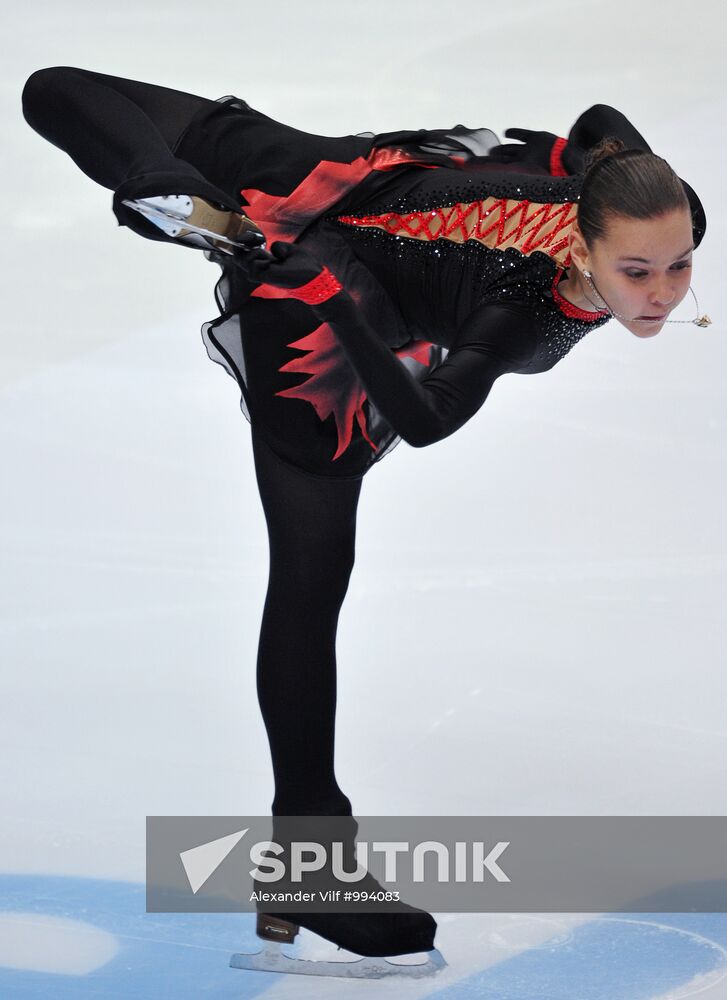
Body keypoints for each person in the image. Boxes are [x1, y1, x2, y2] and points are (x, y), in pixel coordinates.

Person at [21, 66, 708, 979]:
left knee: (315, 575)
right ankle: (179, 193)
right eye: (636, 269)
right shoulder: (535, 305)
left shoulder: (601, 234)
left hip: (347, 247)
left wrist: (591, 157)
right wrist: (306, 285)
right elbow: (425, 416)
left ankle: (309, 852)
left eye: (679, 265)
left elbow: (594, 129)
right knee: (58, 90)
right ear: (583, 243)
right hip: (334, 221)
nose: (661, 291)